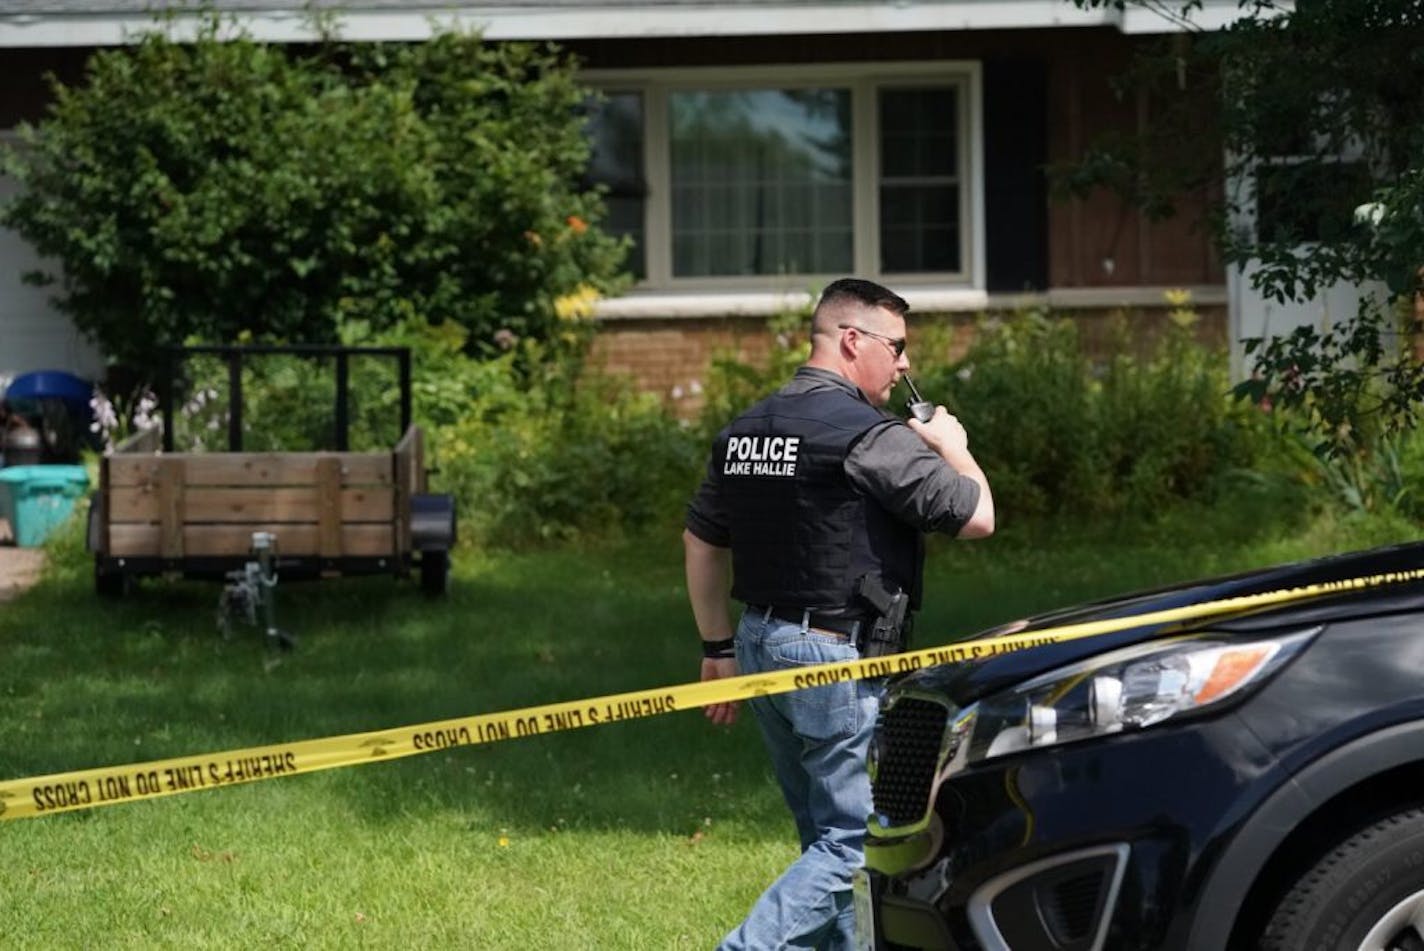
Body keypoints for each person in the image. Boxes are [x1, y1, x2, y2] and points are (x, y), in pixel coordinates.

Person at [683, 277, 994, 950]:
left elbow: (702, 541)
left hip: (761, 645)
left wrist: (717, 647)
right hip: (830, 655)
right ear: (853, 341)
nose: (906, 363)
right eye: (899, 347)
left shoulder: (746, 429)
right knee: (850, 844)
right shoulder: (868, 434)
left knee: (820, 833)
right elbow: (977, 515)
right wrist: (953, 444)